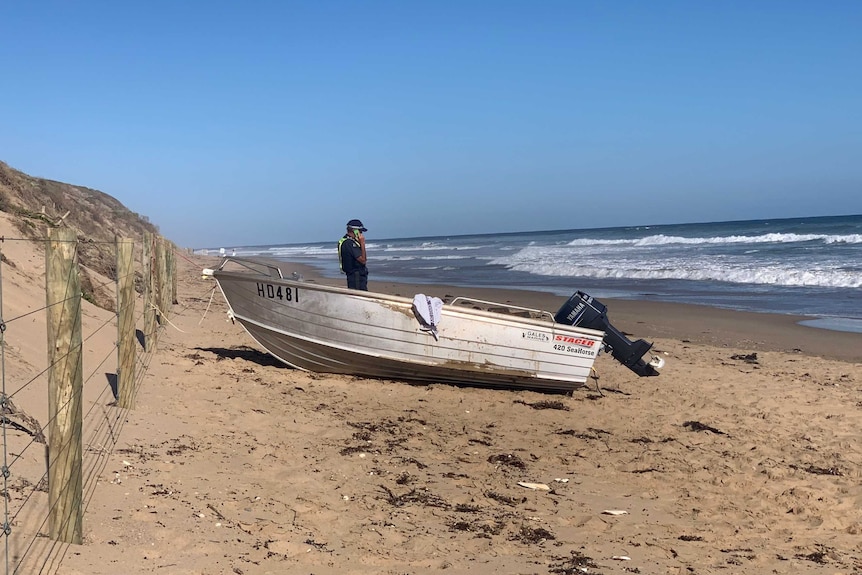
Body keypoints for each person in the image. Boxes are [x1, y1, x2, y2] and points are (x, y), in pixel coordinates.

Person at [338, 219, 368, 290]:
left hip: (354, 275)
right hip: (356, 275)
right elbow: (363, 260)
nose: (361, 234)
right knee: (360, 296)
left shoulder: (347, 241)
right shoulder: (349, 243)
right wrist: (362, 243)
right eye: (360, 231)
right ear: (355, 231)